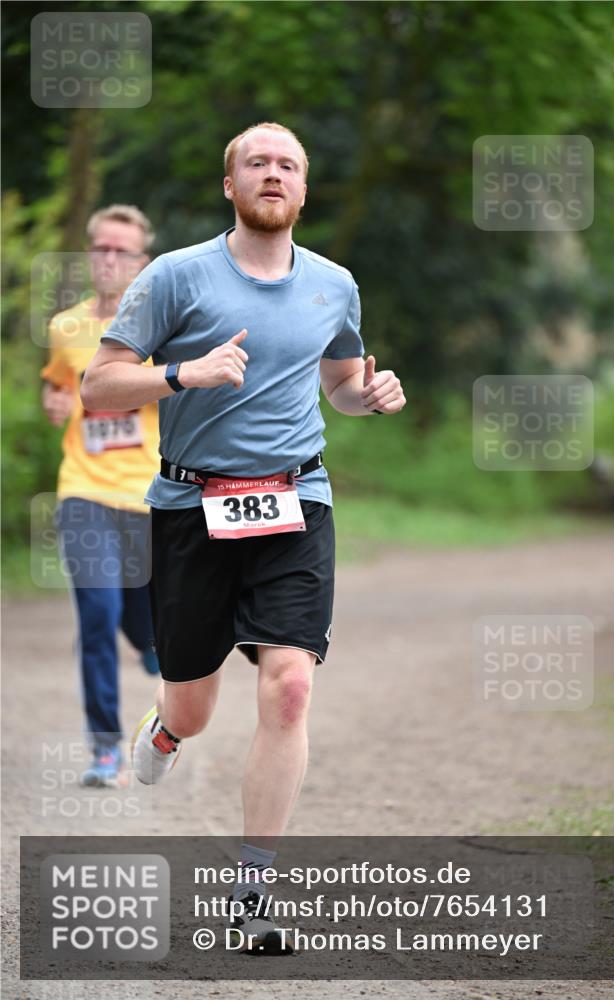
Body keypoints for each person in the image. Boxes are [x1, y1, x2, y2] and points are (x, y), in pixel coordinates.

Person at [81, 123, 406, 951]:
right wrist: (183, 373)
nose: (272, 173)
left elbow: (337, 382)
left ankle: (252, 895)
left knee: (289, 686)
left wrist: (366, 398)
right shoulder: (176, 276)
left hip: (297, 500)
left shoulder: (334, 284)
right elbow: (96, 387)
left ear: (304, 190)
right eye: (255, 162)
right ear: (230, 184)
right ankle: (162, 728)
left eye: (288, 164)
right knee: (192, 704)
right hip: (192, 507)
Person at [41, 204, 161, 788]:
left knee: (145, 623)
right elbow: (58, 382)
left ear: (144, 262)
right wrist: (55, 402)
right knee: (97, 614)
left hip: (148, 497)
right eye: (101, 249)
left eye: (123, 251)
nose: (110, 260)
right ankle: (106, 749)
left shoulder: (164, 326)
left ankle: (151, 646)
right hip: (83, 490)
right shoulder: (66, 327)